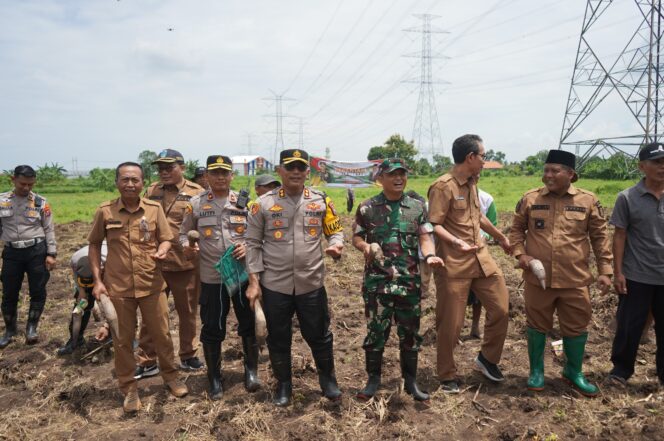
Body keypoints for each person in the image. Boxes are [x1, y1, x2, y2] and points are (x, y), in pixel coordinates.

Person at [245, 149, 344, 407]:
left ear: (307, 172)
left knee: (319, 334)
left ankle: (328, 380)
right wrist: (254, 283)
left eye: (301, 168)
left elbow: (335, 231)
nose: (296, 172)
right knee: (278, 337)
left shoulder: (321, 201)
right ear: (280, 171)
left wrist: (335, 245)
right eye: (291, 167)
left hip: (311, 284)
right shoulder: (263, 204)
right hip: (275, 285)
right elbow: (252, 244)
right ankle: (284, 385)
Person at [509, 149, 612, 397]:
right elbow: (516, 232)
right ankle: (536, 372)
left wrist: (606, 270)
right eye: (546, 170)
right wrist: (521, 255)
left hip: (575, 279)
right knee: (536, 325)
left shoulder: (587, 201)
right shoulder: (530, 199)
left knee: (576, 326)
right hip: (538, 280)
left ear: (570, 174)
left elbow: (600, 238)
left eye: (555, 170)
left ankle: (573, 371)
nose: (548, 175)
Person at [88, 162, 188, 413]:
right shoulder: (105, 211)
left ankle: (171, 378)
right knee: (122, 340)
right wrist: (98, 282)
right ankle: (129, 389)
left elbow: (166, 238)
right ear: (117, 183)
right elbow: (94, 244)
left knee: (162, 335)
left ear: (143, 183)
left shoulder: (154, 209)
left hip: (152, 284)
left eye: (135, 180)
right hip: (118, 288)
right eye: (125, 179)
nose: (130, 184)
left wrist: (163, 250)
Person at [352, 158, 444, 402]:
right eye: (393, 174)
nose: (399, 178)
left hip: (408, 283)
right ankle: (373, 380)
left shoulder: (417, 206)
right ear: (380, 178)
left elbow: (425, 236)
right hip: (377, 284)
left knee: (411, 335)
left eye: (402, 174)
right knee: (375, 334)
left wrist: (431, 254)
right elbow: (356, 237)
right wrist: (366, 247)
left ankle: (411, 382)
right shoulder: (367, 208)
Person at [427, 134, 512, 394]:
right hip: (454, 264)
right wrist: (455, 243)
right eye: (483, 156)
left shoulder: (472, 183)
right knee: (451, 324)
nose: (485, 161)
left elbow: (478, 217)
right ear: (470, 157)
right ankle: (447, 374)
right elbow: (434, 224)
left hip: (482, 259)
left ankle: (487, 359)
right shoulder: (443, 186)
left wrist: (500, 236)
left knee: (501, 309)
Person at [180, 155, 259, 400]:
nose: (221, 177)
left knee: (248, 323)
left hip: (241, 274)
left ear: (231, 175)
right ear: (207, 177)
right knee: (213, 326)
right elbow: (183, 234)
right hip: (212, 277)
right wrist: (188, 246)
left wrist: (246, 246)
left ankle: (251, 371)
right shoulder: (195, 203)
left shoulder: (244, 203)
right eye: (215, 173)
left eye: (225, 172)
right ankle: (214, 377)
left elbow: (258, 235)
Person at [134, 149, 204, 379]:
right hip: (155, 263)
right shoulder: (151, 191)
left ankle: (187, 354)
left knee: (187, 312)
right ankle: (147, 359)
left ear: (182, 168)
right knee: (150, 314)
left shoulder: (197, 192)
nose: (163, 172)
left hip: (184, 264)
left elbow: (206, 224)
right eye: (160, 168)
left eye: (169, 167)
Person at [608, 142, 664, 386]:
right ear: (642, 166)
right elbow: (619, 235)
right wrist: (618, 272)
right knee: (629, 327)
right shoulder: (627, 198)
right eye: (657, 162)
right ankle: (621, 370)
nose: (662, 167)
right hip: (636, 274)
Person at [0, 165, 57, 348]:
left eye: (30, 185)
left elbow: (48, 228)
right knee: (9, 293)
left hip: (36, 252)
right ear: (13, 179)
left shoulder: (40, 202)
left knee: (38, 291)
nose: (26, 188)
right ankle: (10, 330)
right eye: (22, 184)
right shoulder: (2, 201)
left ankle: (31, 328)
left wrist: (51, 253)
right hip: (11, 252)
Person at [57, 243, 108, 355]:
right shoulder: (75, 260)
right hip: (90, 276)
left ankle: (124, 336)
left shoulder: (109, 259)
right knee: (80, 306)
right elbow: (76, 276)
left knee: (118, 303)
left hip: (109, 273)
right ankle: (75, 340)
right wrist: (81, 291)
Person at [466, 175, 499, 339]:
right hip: (459, 253)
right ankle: (455, 329)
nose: (473, 180)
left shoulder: (486, 199)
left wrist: (483, 238)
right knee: (458, 294)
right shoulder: (451, 195)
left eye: (475, 177)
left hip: (480, 253)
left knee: (478, 294)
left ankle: (475, 326)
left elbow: (492, 222)